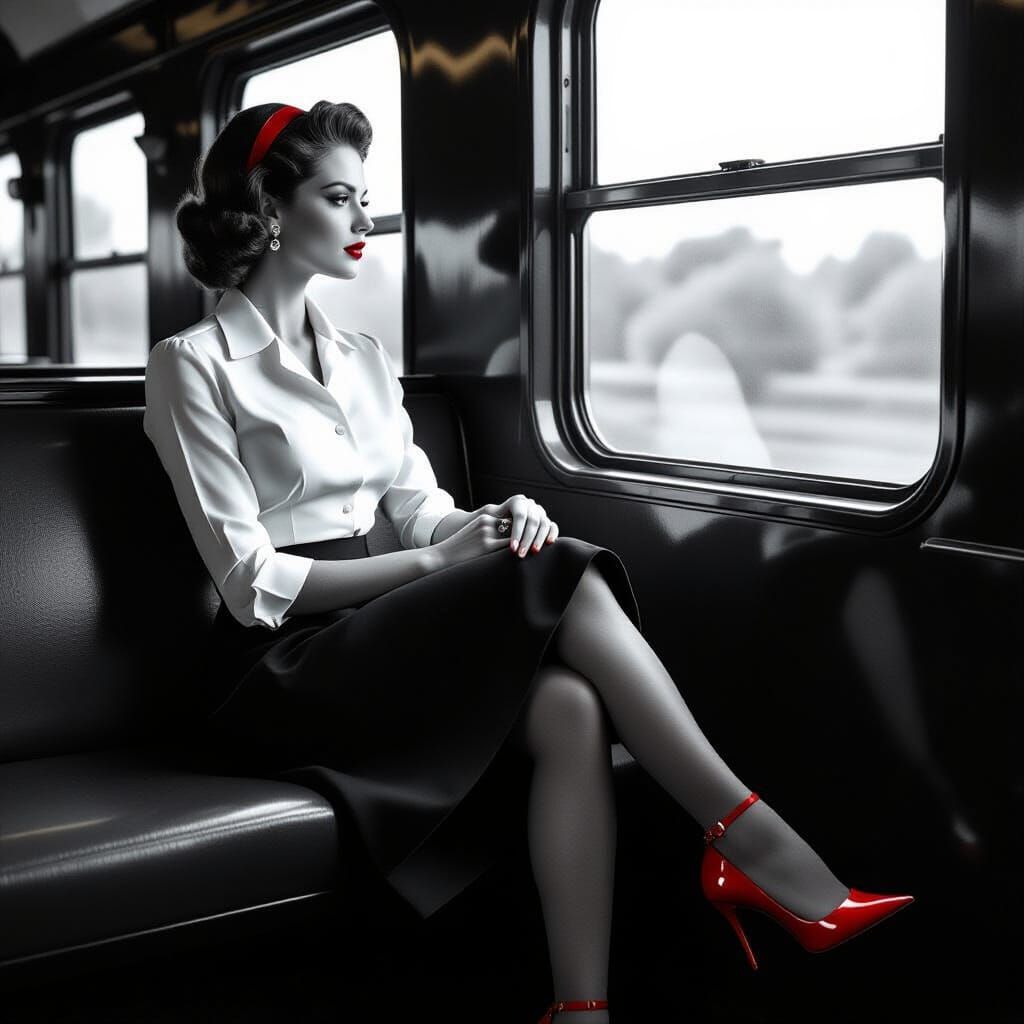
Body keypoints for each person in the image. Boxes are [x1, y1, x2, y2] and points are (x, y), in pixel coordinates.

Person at [143, 101, 915, 1023]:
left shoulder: (361, 356)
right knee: (557, 574)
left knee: (569, 705)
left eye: (367, 199)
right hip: (276, 666)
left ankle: (579, 1010)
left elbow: (417, 507)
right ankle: (761, 852)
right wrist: (439, 569)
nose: (365, 221)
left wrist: (490, 521)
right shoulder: (193, 364)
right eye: (340, 198)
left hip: (376, 631)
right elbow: (250, 585)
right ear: (270, 209)